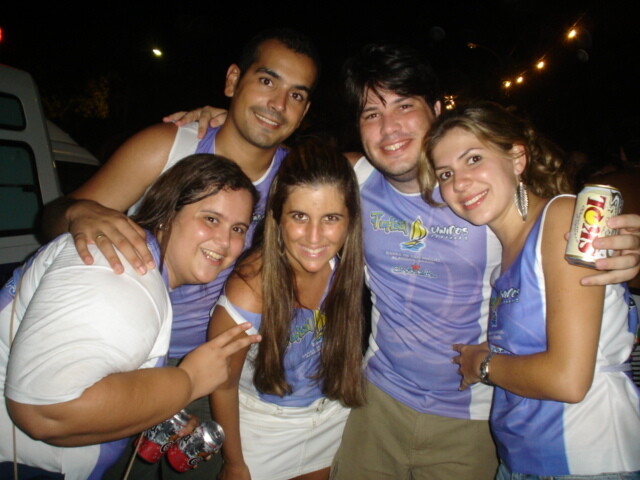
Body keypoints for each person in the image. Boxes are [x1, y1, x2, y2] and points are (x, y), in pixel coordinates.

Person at [164, 43, 640, 480]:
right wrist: (221, 121)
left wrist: (622, 251)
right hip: (377, 402)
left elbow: (552, 234)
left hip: (474, 418)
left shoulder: (483, 199)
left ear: (437, 111)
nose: (388, 128)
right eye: (372, 113)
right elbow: (286, 175)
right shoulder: (355, 178)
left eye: (405, 106)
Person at [42, 28, 319, 480]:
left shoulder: (295, 181)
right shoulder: (170, 147)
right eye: (267, 81)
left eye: (296, 95)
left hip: (215, 370)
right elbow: (50, 220)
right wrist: (79, 212)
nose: (277, 103)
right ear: (233, 81)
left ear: (304, 111)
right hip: (125, 359)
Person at [0, 154, 262, 480]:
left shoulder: (141, 271)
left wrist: (156, 408)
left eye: (237, 228)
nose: (225, 242)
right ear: (167, 213)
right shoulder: (122, 274)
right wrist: (189, 381)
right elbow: (45, 413)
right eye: (210, 219)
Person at [425, 101, 640, 479]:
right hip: (523, 459)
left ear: (517, 158)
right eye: (445, 174)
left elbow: (568, 380)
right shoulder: (504, 257)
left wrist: (482, 365)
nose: (458, 183)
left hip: (585, 457)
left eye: (473, 159)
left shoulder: (563, 217)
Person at [208, 138, 365, 480]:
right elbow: (221, 384)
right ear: (278, 216)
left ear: (350, 219)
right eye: (299, 216)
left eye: (331, 218)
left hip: (331, 415)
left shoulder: (344, 268)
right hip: (263, 428)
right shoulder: (251, 289)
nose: (314, 237)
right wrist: (234, 462)